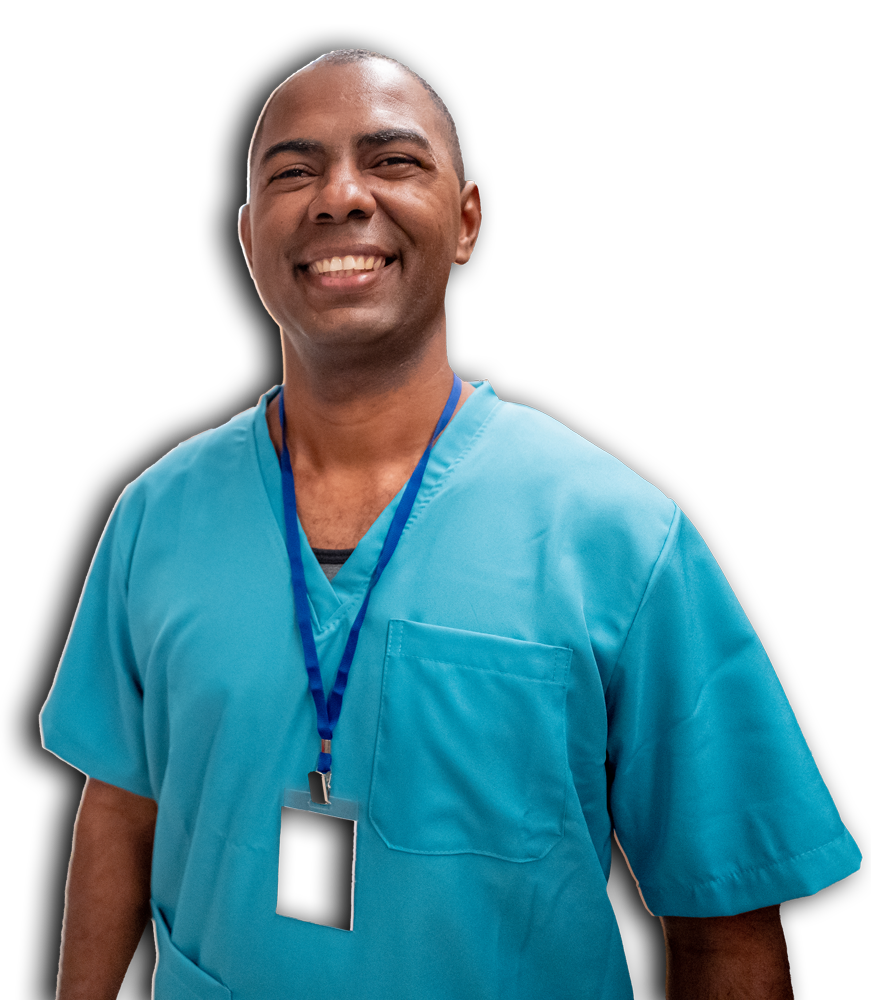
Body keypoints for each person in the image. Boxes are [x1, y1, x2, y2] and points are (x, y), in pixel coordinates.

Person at [41, 48, 860, 1000]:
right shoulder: (157, 515)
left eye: (392, 162)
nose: (341, 196)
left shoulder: (620, 538)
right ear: (248, 236)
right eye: (293, 172)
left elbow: (724, 918)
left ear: (466, 221)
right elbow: (121, 803)